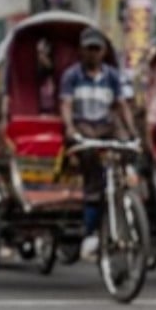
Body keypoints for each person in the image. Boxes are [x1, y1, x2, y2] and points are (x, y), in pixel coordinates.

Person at [59, 27, 137, 259]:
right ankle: (90, 225)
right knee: (92, 168)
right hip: (83, 125)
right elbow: (66, 105)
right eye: (89, 49)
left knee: (125, 145)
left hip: (105, 125)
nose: (93, 54)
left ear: (103, 52)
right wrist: (70, 129)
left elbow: (122, 105)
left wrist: (133, 133)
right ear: (81, 51)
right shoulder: (72, 75)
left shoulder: (113, 75)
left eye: (97, 49)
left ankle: (126, 180)